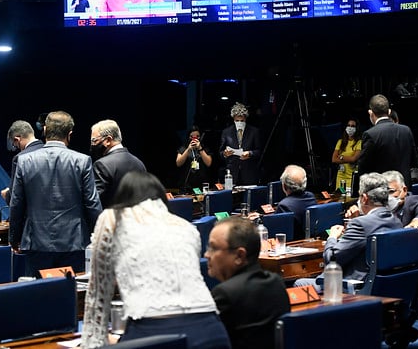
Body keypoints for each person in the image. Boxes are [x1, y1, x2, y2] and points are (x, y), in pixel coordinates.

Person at [81, 171, 230, 349]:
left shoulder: (112, 218)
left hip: (153, 330)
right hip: (211, 328)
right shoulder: (184, 225)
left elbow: (98, 291)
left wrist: (92, 343)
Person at [9, 111, 102, 276]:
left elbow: (16, 203)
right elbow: (92, 204)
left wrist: (14, 238)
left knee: (38, 295)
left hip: (35, 241)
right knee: (72, 294)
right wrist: (99, 237)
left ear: (44, 130)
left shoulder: (24, 161)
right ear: (70, 134)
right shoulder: (82, 161)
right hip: (74, 241)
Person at [295, 172, 402, 289]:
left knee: (299, 284)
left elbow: (331, 259)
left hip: (352, 287)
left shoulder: (360, 224)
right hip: (386, 287)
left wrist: (333, 237)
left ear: (364, 198)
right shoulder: (396, 221)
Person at [205, 216, 290, 349]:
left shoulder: (225, 294)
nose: (206, 255)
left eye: (213, 248)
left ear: (239, 256)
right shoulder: (276, 282)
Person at [357, 94, 418, 187]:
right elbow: (414, 161)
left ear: (370, 113)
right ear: (389, 111)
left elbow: (363, 168)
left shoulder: (370, 134)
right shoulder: (406, 130)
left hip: (382, 192)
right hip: (403, 189)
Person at [90, 119, 146, 208]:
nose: (92, 144)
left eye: (94, 140)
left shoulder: (101, 165)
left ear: (108, 140)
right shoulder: (139, 163)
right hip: (136, 219)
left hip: (112, 220)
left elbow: (96, 202)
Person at [0, 120, 43, 205]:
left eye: (15, 145)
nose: (17, 148)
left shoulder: (20, 158)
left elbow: (15, 197)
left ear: (17, 139)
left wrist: (7, 195)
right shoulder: (51, 151)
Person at [219, 102, 262, 186]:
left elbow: (259, 151)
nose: (239, 122)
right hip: (232, 173)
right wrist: (225, 153)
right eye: (237, 120)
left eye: (242, 120)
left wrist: (250, 153)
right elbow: (220, 152)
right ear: (233, 119)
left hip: (249, 173)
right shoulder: (226, 132)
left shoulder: (254, 131)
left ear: (246, 118)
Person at [274, 164, 317, 240]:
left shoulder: (284, 205)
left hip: (293, 243)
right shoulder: (311, 197)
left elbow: (278, 232)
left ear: (284, 185)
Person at [176, 126, 213, 193]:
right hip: (186, 186)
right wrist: (188, 149)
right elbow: (178, 163)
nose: (194, 139)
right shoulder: (183, 148)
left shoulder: (205, 148)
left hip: (202, 185)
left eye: (197, 136)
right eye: (192, 137)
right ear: (188, 137)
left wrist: (200, 149)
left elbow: (209, 163)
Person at [331, 118, 362, 191]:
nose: (350, 128)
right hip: (341, 175)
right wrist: (349, 159)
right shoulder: (340, 142)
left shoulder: (359, 142)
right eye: (349, 125)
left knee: (350, 199)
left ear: (357, 128)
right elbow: (334, 159)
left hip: (352, 176)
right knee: (339, 197)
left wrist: (341, 157)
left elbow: (354, 159)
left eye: (353, 126)